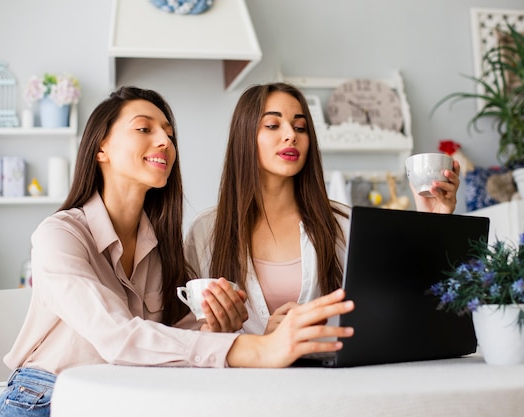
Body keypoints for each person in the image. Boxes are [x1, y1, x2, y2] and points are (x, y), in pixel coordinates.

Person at [0, 86, 354, 417]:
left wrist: (218, 327)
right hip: (45, 398)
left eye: (169, 133)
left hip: (122, 400)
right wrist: (259, 348)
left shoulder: (163, 249)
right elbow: (119, 337)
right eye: (144, 128)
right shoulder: (60, 235)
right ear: (101, 148)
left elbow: (165, 342)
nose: (164, 140)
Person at [185, 82, 460, 335]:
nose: (291, 135)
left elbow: (404, 304)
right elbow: (189, 336)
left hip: (331, 384)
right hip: (243, 387)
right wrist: (262, 343)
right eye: (272, 125)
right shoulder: (205, 232)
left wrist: (434, 219)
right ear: (244, 136)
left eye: (300, 127)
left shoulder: (345, 224)